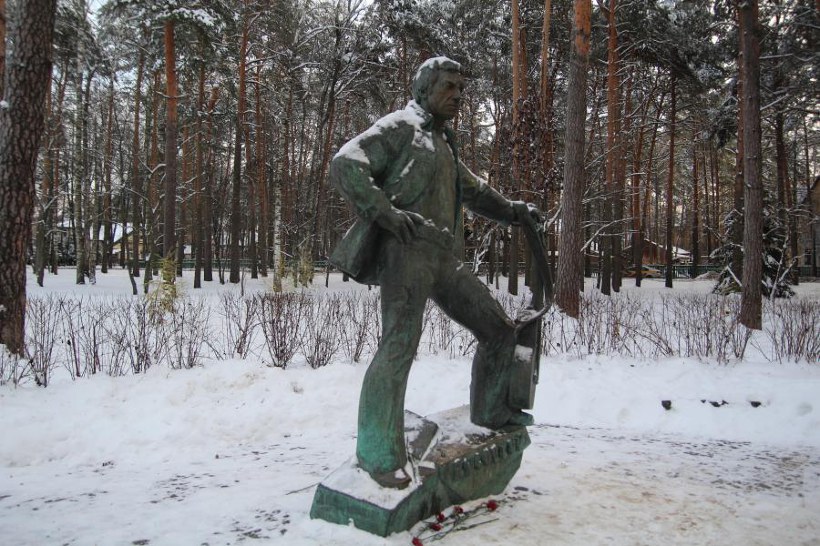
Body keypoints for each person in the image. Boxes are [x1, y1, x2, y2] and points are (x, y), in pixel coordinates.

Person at [329, 56, 539, 489]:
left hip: (444, 257)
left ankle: (491, 413)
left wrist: (516, 212)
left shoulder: (443, 142)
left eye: (461, 88)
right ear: (424, 89)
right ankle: (378, 454)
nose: (458, 95)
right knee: (398, 346)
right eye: (449, 87)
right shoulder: (402, 127)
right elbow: (346, 163)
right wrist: (384, 212)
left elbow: (475, 191)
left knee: (499, 330)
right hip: (406, 252)